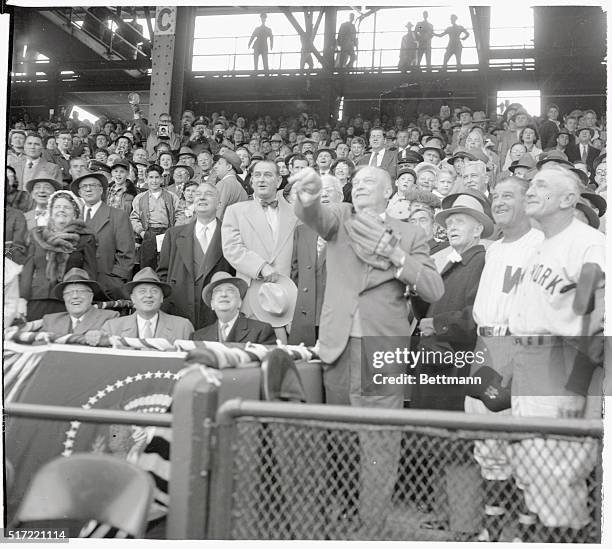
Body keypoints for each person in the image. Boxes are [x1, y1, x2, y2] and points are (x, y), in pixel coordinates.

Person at [290, 165, 444, 529]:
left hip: (382, 348)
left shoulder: (410, 233)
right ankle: (342, 512)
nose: (359, 187)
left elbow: (434, 290)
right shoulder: (340, 219)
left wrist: (396, 256)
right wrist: (308, 193)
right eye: (355, 182)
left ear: (388, 193)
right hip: (337, 344)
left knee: (380, 439)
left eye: (369, 182)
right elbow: (311, 213)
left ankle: (372, 523)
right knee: (341, 435)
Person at [507, 166, 604, 541]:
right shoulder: (544, 242)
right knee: (534, 473)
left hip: (562, 364)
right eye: (530, 184)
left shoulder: (588, 244)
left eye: (541, 185)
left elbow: (595, 319)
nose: (531, 190)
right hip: (531, 360)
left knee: (559, 475)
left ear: (567, 199)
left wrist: (576, 386)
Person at [466, 177, 544, 541]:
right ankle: (492, 532)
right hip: (485, 347)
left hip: (521, 347)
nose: (498, 202)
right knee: (488, 446)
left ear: (528, 201)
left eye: (507, 195)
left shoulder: (541, 244)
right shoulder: (493, 248)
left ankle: (527, 539)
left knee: (526, 449)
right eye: (495, 196)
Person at [221, 160, 298, 341]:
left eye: (268, 175)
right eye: (257, 175)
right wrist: (260, 267)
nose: (261, 180)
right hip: (251, 294)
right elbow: (232, 248)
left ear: (279, 181)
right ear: (251, 181)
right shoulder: (235, 211)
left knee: (283, 357)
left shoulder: (296, 214)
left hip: (286, 299)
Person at [157, 182, 234, 331]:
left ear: (219, 203)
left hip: (217, 314)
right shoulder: (173, 234)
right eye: (198, 194)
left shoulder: (230, 234)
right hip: (179, 313)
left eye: (209, 194)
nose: (202, 198)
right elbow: (163, 275)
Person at [20, 190, 97, 321]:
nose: (61, 210)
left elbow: (90, 273)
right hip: (37, 298)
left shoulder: (85, 239)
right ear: (51, 212)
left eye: (67, 207)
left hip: (68, 301)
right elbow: (28, 270)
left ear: (75, 213)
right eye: (57, 207)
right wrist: (22, 299)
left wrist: (86, 299)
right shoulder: (37, 235)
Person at [289, 175, 343, 346]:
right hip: (306, 316)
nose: (324, 196)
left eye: (328, 191)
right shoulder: (302, 230)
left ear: (341, 197)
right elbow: (295, 272)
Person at [72, 171, 136, 301]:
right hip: (77, 287)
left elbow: (127, 254)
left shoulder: (118, 215)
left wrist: (114, 282)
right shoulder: (73, 218)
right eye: (84, 186)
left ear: (101, 190)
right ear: (79, 192)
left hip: (107, 289)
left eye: (93, 185)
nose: (88, 189)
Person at [101, 267, 194, 342]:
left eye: (154, 291)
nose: (149, 295)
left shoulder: (183, 327)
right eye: (142, 291)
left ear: (162, 297)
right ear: (132, 298)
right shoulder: (112, 328)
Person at [192, 271, 275, 344]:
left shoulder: (261, 331)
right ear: (212, 304)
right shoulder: (197, 337)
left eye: (230, 290)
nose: (224, 294)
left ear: (240, 302)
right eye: (217, 291)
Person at [130, 164, 182, 270]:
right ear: (146, 179)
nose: (154, 181)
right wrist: (141, 232)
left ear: (162, 179)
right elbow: (134, 218)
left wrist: (173, 232)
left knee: (165, 264)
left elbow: (180, 215)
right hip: (148, 232)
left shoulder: (172, 197)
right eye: (151, 177)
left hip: (167, 232)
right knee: (147, 265)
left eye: (157, 177)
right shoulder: (140, 198)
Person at [41, 268, 119, 335]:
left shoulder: (109, 318)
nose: (75, 296)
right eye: (69, 292)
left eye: (81, 291)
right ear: (64, 298)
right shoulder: (50, 321)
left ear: (91, 296)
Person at [211, 150, 248, 220]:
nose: (215, 167)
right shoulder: (242, 189)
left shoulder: (223, 184)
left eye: (219, 163)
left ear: (229, 167)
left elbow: (216, 214)